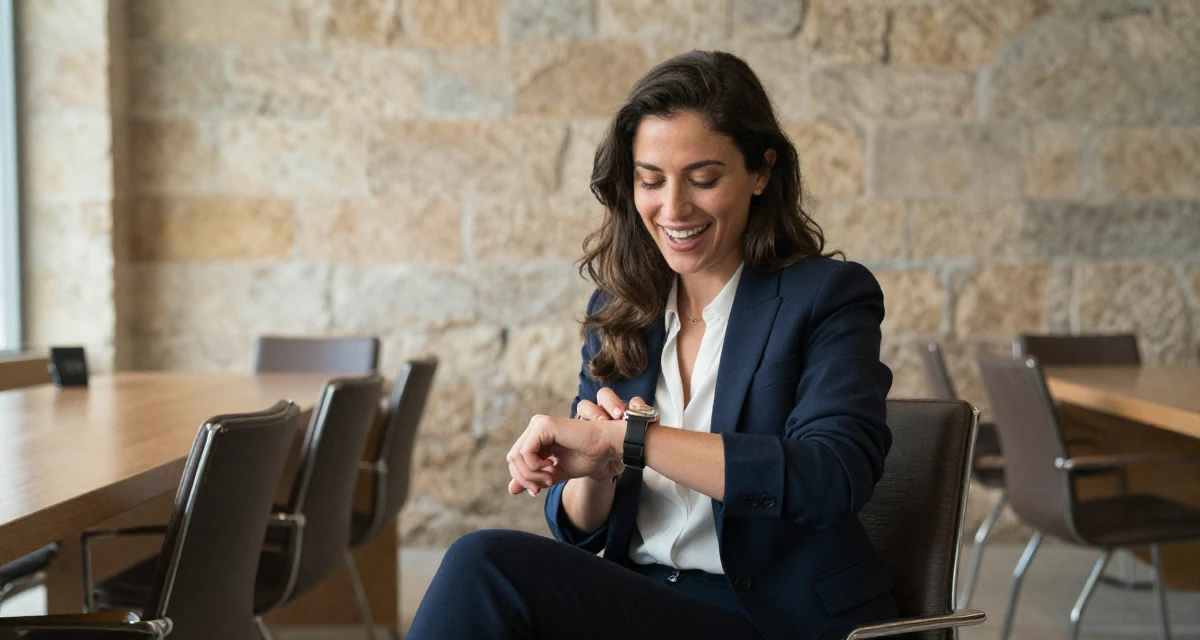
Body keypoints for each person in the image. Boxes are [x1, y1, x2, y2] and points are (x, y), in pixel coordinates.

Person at [407, 50, 896, 640]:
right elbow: (582, 528)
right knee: (484, 570)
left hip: (772, 620)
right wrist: (595, 468)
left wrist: (633, 439)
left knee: (483, 565)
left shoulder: (827, 297)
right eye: (651, 180)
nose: (674, 208)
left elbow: (830, 477)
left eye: (703, 179)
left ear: (761, 172)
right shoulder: (621, 311)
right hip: (646, 599)